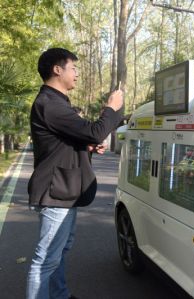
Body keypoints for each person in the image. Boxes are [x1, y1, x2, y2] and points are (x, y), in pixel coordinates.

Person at [26, 48, 123, 299]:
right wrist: (111, 108)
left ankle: (59, 295)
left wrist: (88, 146)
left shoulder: (56, 104)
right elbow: (94, 130)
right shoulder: (50, 104)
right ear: (57, 70)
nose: (77, 74)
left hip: (63, 190)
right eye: (73, 68)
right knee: (45, 259)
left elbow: (65, 143)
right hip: (54, 192)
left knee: (59, 251)